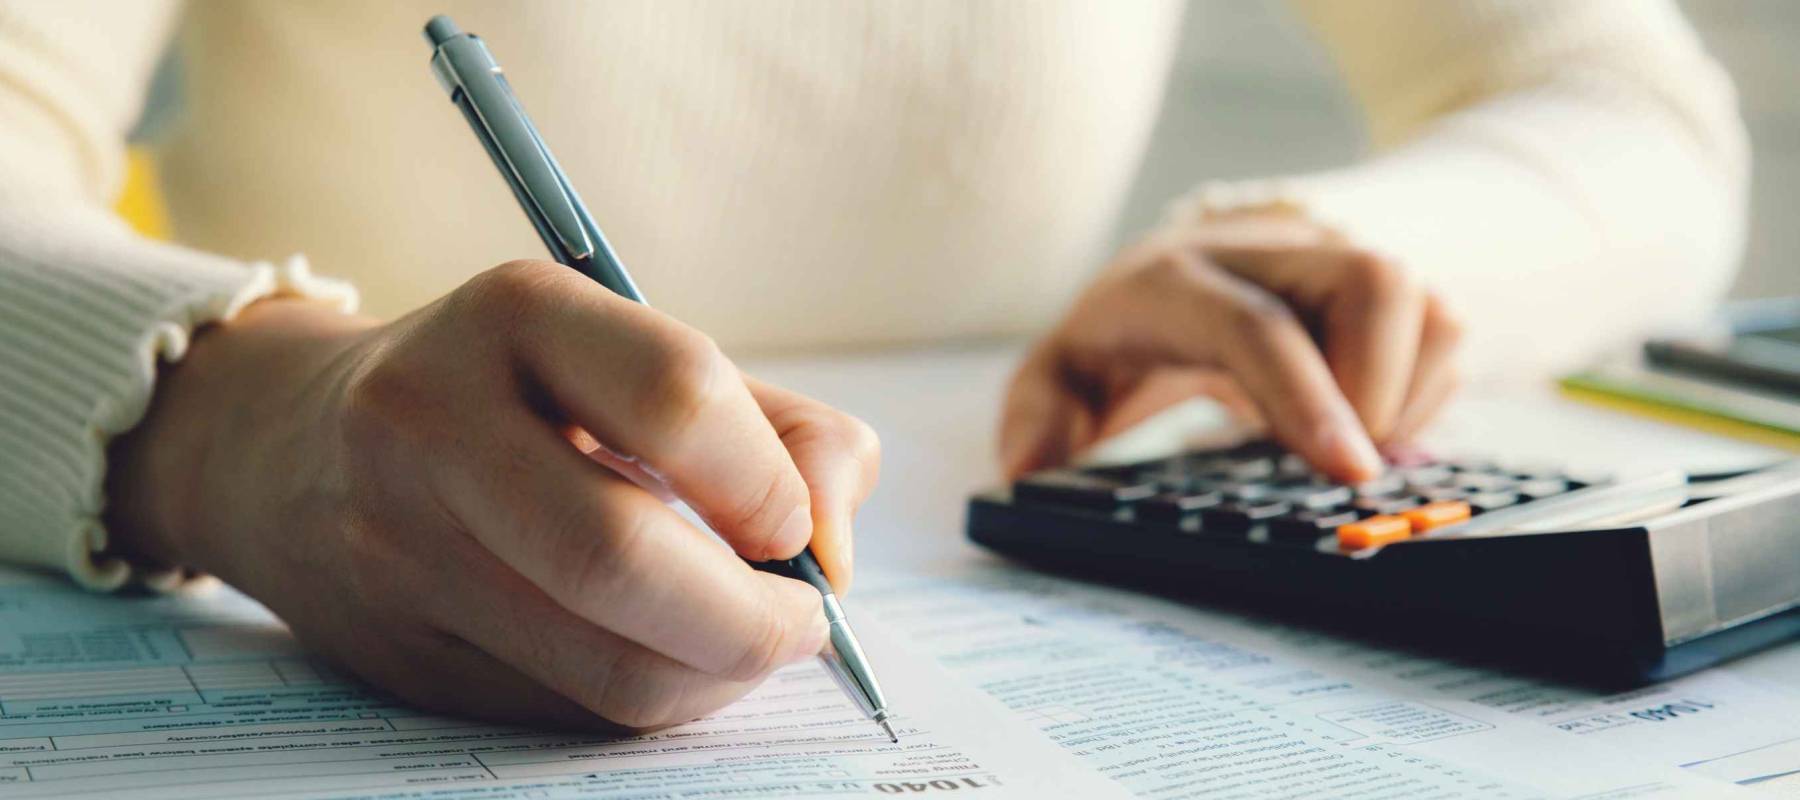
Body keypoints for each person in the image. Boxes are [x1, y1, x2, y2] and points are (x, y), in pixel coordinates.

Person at [0, 0, 1745, 730]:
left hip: (992, 551)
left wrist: (1360, 261)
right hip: (315, 583)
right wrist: (239, 411)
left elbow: (1627, 107)